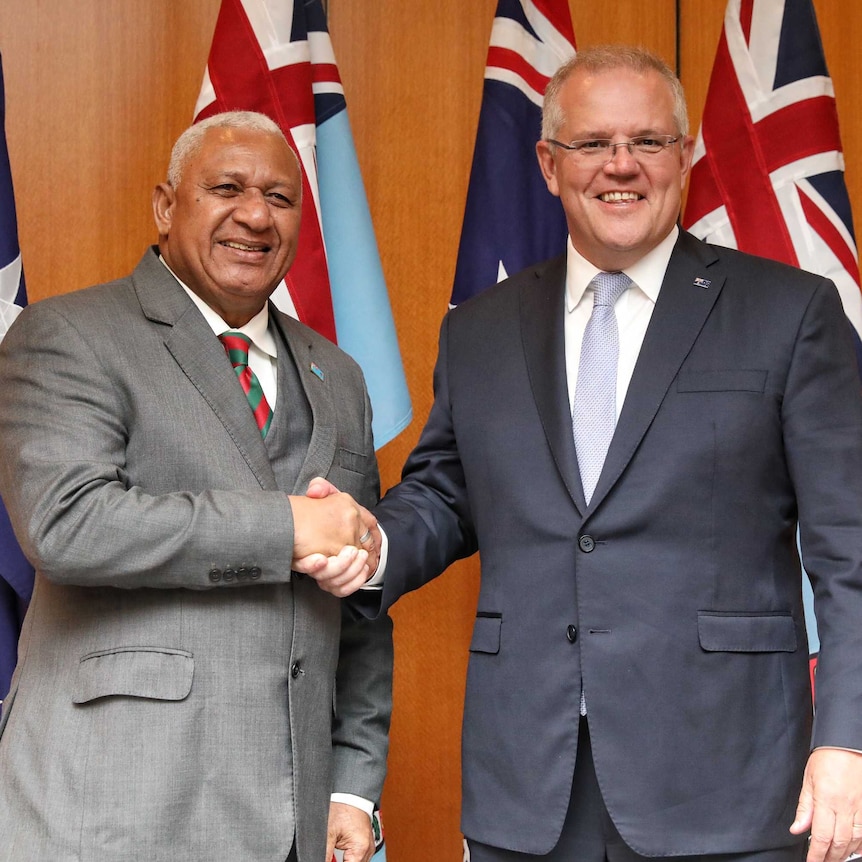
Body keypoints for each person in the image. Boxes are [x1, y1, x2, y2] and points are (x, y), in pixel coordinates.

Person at [299, 47, 862, 862]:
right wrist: (369, 542)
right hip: (529, 785)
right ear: (549, 164)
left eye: (649, 142)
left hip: (725, 783)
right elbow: (445, 495)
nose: (622, 166)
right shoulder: (480, 330)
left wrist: (846, 742)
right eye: (594, 143)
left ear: (686, 156)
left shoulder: (790, 313)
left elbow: (851, 551)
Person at [0, 111, 392, 862]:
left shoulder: (337, 376)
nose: (255, 214)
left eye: (280, 198)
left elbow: (363, 598)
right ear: (165, 206)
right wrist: (285, 528)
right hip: (113, 806)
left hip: (295, 819)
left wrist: (352, 781)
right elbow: (68, 526)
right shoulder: (68, 336)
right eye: (227, 188)